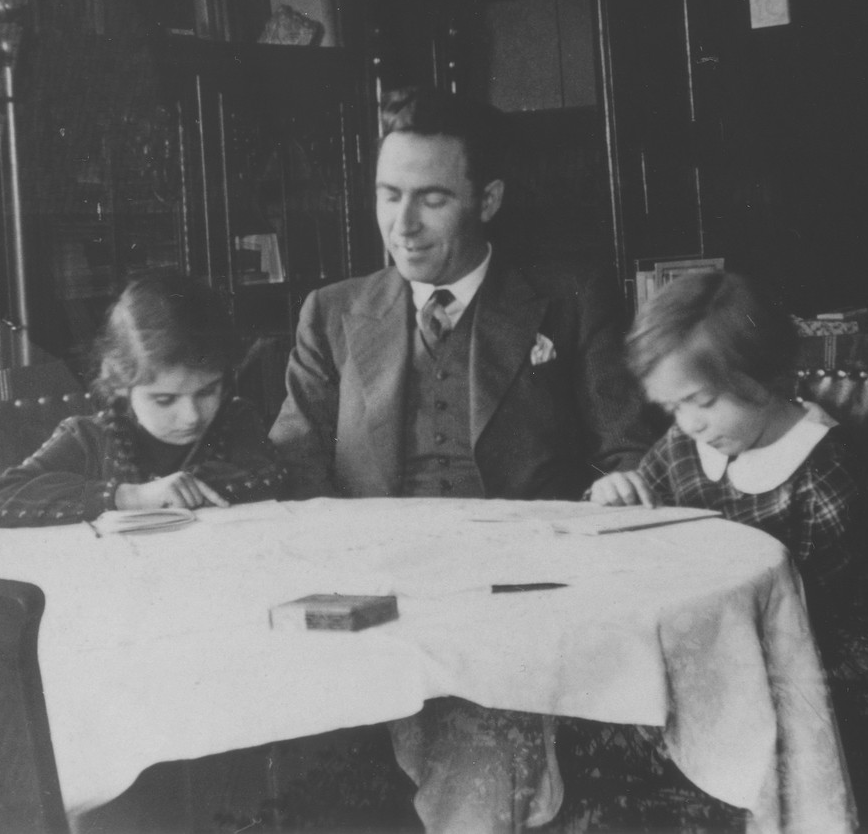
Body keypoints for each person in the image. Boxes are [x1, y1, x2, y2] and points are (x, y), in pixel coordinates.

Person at [269, 85, 653, 834]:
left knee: (475, 726)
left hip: (522, 594)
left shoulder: (569, 300)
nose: (401, 225)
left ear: (489, 199)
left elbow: (627, 448)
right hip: (375, 593)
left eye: (432, 199)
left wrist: (618, 484)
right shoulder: (333, 313)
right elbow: (293, 463)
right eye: (387, 195)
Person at [589, 269, 868, 711]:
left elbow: (855, 634)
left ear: (761, 375)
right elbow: (632, 535)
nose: (688, 424)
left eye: (702, 402)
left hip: (804, 678)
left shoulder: (825, 479)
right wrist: (614, 501)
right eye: (672, 408)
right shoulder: (685, 447)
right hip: (703, 655)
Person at [0, 271, 285, 526]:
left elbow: (272, 478)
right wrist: (132, 496)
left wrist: (183, 488)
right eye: (165, 400)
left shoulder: (236, 420)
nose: (192, 415)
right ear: (120, 386)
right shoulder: (89, 437)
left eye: (207, 391)